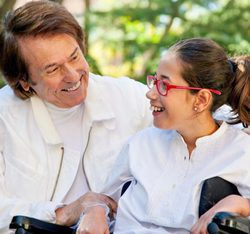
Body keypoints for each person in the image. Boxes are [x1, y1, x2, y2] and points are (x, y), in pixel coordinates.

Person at [0, 0, 153, 233]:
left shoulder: (127, 97)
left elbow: (209, 120)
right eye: (52, 69)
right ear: (24, 82)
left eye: (74, 57)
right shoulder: (4, 115)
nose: (72, 76)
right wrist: (65, 211)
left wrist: (231, 200)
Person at [86, 38, 250, 233]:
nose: (151, 93)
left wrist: (239, 203)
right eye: (154, 81)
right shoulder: (141, 143)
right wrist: (95, 209)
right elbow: (106, 200)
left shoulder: (241, 152)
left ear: (202, 99)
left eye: (164, 85)